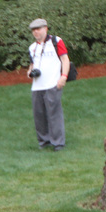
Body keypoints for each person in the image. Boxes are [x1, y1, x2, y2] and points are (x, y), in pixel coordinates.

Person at [26, 18, 70, 151]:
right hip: (37, 86)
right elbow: (32, 64)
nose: (36, 32)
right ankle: (44, 141)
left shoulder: (56, 41)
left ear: (46, 28)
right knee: (38, 115)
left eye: (38, 29)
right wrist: (29, 72)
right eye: (34, 30)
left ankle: (58, 143)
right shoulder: (32, 47)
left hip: (53, 83)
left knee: (54, 114)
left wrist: (63, 77)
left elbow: (65, 59)